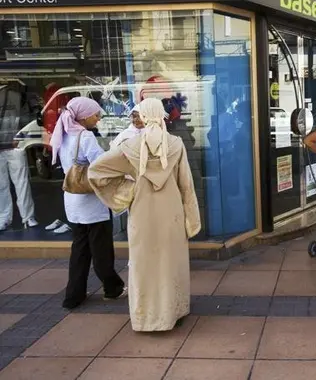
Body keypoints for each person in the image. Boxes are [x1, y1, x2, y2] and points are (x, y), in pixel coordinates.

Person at [88, 98, 201, 332]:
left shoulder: (129, 146)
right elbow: (186, 185)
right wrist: (191, 220)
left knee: (145, 265)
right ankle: (173, 313)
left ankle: (146, 319)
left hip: (142, 212)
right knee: (170, 263)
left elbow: (96, 171)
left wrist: (126, 192)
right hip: (172, 213)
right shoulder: (176, 143)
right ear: (161, 115)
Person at [50, 97, 126, 309]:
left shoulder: (63, 134)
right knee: (101, 250)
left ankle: (73, 296)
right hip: (91, 202)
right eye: (95, 114)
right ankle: (113, 288)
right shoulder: (85, 136)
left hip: (73, 201)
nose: (98, 118)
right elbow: (100, 164)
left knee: (80, 250)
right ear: (83, 116)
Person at [0, 85, 38, 231]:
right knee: (19, 184)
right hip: (14, 145)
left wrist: (20, 136)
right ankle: (27, 218)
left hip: (14, 145)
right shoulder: (17, 96)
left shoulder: (17, 96)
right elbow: (27, 117)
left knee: (11, 185)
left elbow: (27, 118)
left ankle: (8, 218)